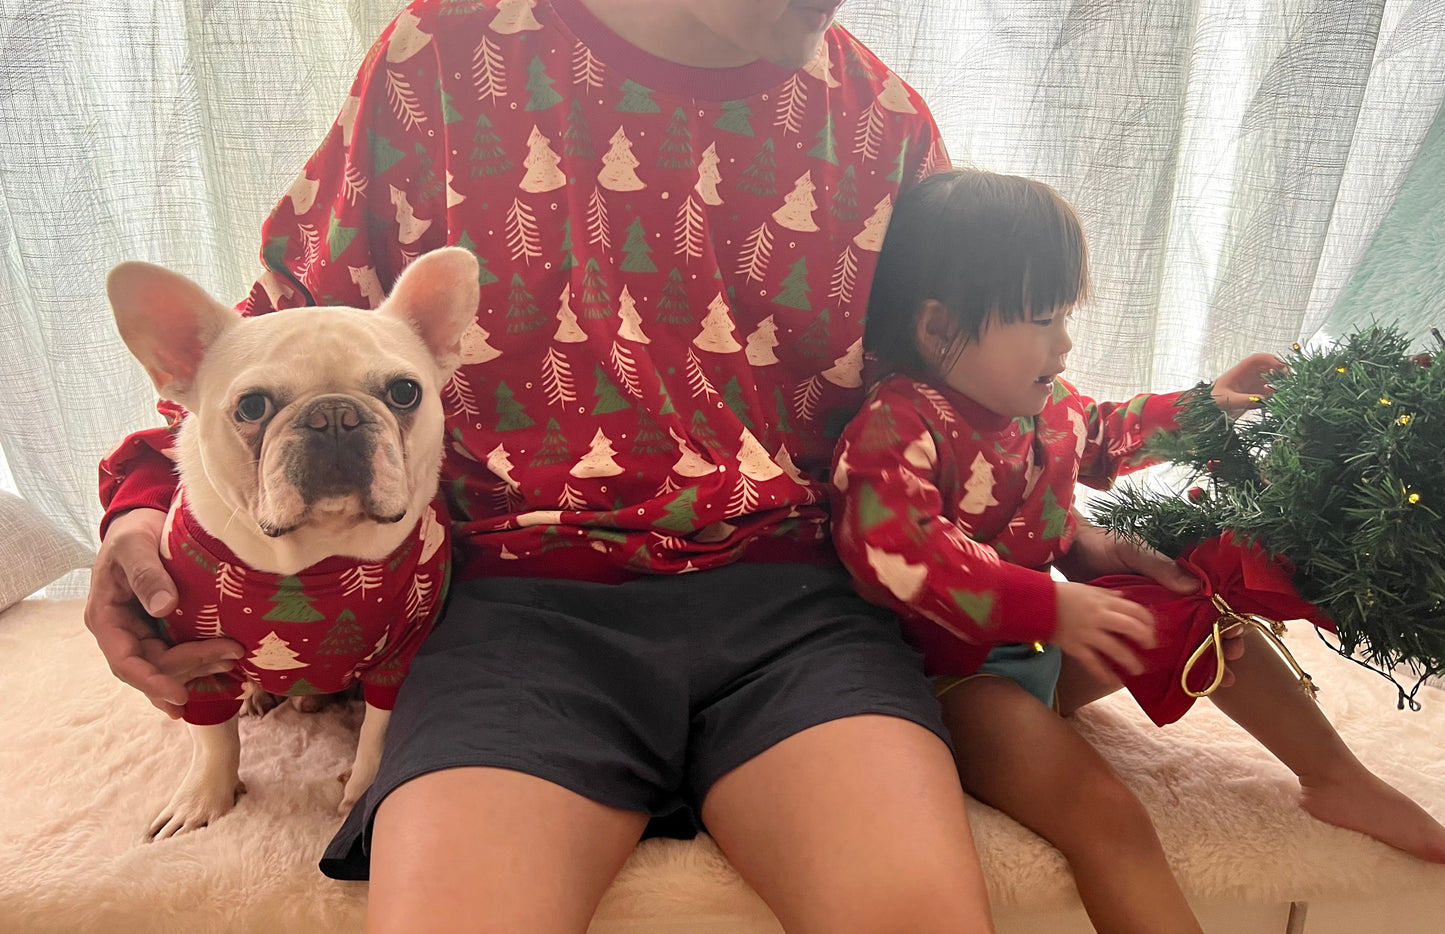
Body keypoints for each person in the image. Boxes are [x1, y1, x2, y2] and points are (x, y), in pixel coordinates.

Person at [87, 2, 1001, 930]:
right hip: (510, 611)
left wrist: (1069, 529)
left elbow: (980, 380)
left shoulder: (882, 119)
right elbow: (274, 338)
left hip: (799, 607)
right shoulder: (441, 55)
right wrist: (144, 506)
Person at [831, 167, 1445, 934]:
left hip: (1045, 648)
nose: (1064, 344)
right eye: (1042, 320)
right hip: (954, 682)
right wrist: (1050, 605)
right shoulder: (896, 425)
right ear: (937, 331)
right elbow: (896, 552)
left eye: (1065, 316)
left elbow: (1106, 431)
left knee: (1199, 610)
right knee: (1107, 815)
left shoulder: (1043, 405)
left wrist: (1208, 404)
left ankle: (1335, 777)